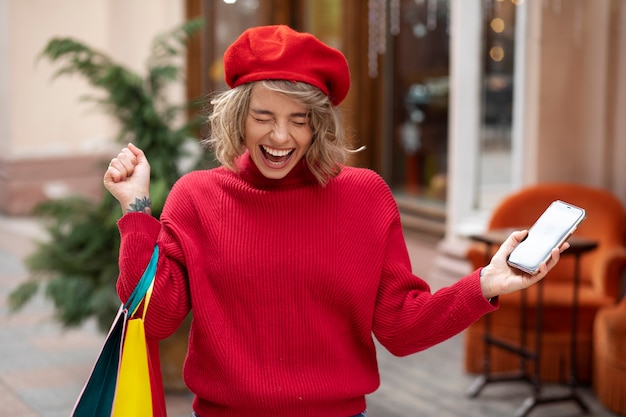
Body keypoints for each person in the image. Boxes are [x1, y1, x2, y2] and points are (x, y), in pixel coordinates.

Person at [103, 25, 566, 417]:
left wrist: (485, 283)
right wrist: (136, 209)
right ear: (239, 118)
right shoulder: (197, 197)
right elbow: (155, 320)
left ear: (319, 125)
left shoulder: (365, 196)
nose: (280, 136)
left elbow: (401, 328)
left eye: (299, 120)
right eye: (263, 116)